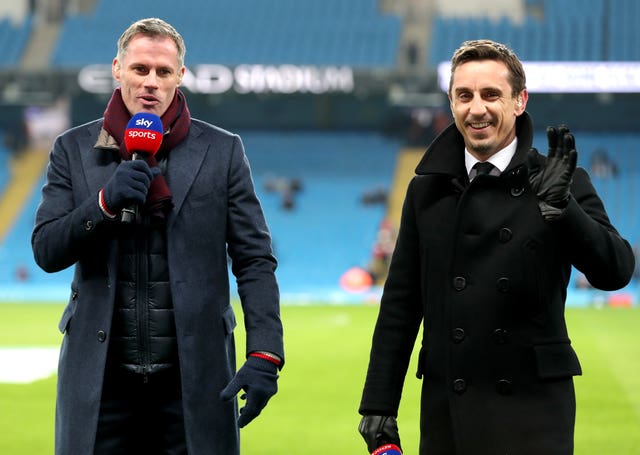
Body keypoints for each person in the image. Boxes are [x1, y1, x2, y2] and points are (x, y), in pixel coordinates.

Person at [357, 39, 635, 455]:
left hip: (534, 415)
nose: (477, 109)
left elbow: (616, 271)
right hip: (447, 409)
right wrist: (379, 403)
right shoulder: (425, 189)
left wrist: (566, 210)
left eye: (491, 95)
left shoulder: (562, 181)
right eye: (463, 95)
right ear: (451, 102)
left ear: (520, 101)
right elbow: (401, 302)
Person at [31, 18, 283, 455]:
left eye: (163, 72)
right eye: (140, 69)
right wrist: (104, 204)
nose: (151, 82)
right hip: (100, 383)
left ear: (180, 76)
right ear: (117, 69)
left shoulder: (222, 150)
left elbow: (254, 259)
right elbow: (47, 250)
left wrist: (265, 353)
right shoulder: (72, 149)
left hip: (195, 380)